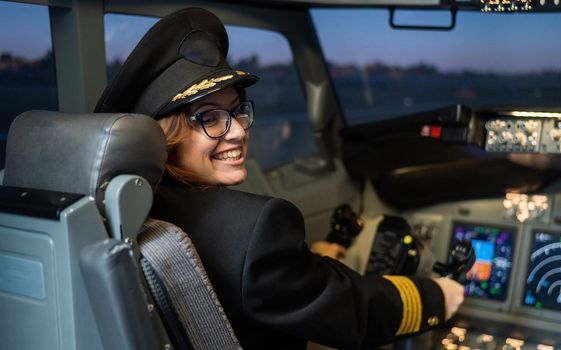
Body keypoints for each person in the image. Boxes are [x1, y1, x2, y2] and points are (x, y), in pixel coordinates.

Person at [95, 7, 464, 349]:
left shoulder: (125, 209)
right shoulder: (252, 229)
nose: (238, 132)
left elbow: (264, 282)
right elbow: (351, 310)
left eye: (237, 111)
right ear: (166, 136)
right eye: (209, 118)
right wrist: (435, 296)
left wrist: (306, 263)